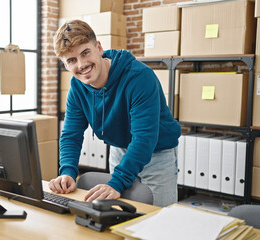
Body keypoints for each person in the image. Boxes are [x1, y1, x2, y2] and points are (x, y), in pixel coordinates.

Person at [48, 20, 181, 207]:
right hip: (119, 150)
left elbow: (144, 137)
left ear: (99, 48)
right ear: (65, 65)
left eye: (85, 53)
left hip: (157, 153)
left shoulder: (139, 77)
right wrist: (68, 171)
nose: (82, 64)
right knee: (119, 218)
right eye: (72, 60)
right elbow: (71, 134)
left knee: (157, 222)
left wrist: (118, 181)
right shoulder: (77, 87)